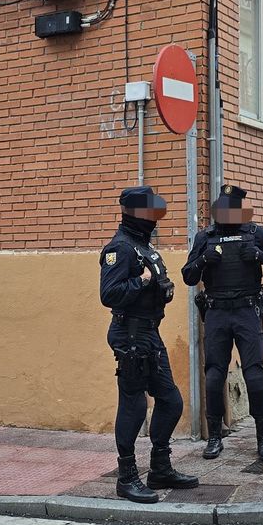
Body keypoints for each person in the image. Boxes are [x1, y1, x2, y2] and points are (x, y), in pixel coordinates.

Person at [100, 186, 199, 504]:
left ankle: (160, 468)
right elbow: (109, 294)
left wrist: (159, 287)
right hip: (130, 335)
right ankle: (127, 477)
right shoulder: (121, 248)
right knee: (134, 406)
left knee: (171, 401)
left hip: (149, 334)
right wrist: (142, 281)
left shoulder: (143, 247)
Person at [182, 184, 263, 461]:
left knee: (254, 375)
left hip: (246, 312)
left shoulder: (255, 233)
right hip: (217, 313)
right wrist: (204, 260)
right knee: (214, 376)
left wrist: (260, 256)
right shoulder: (205, 237)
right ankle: (215, 438)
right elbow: (188, 277)